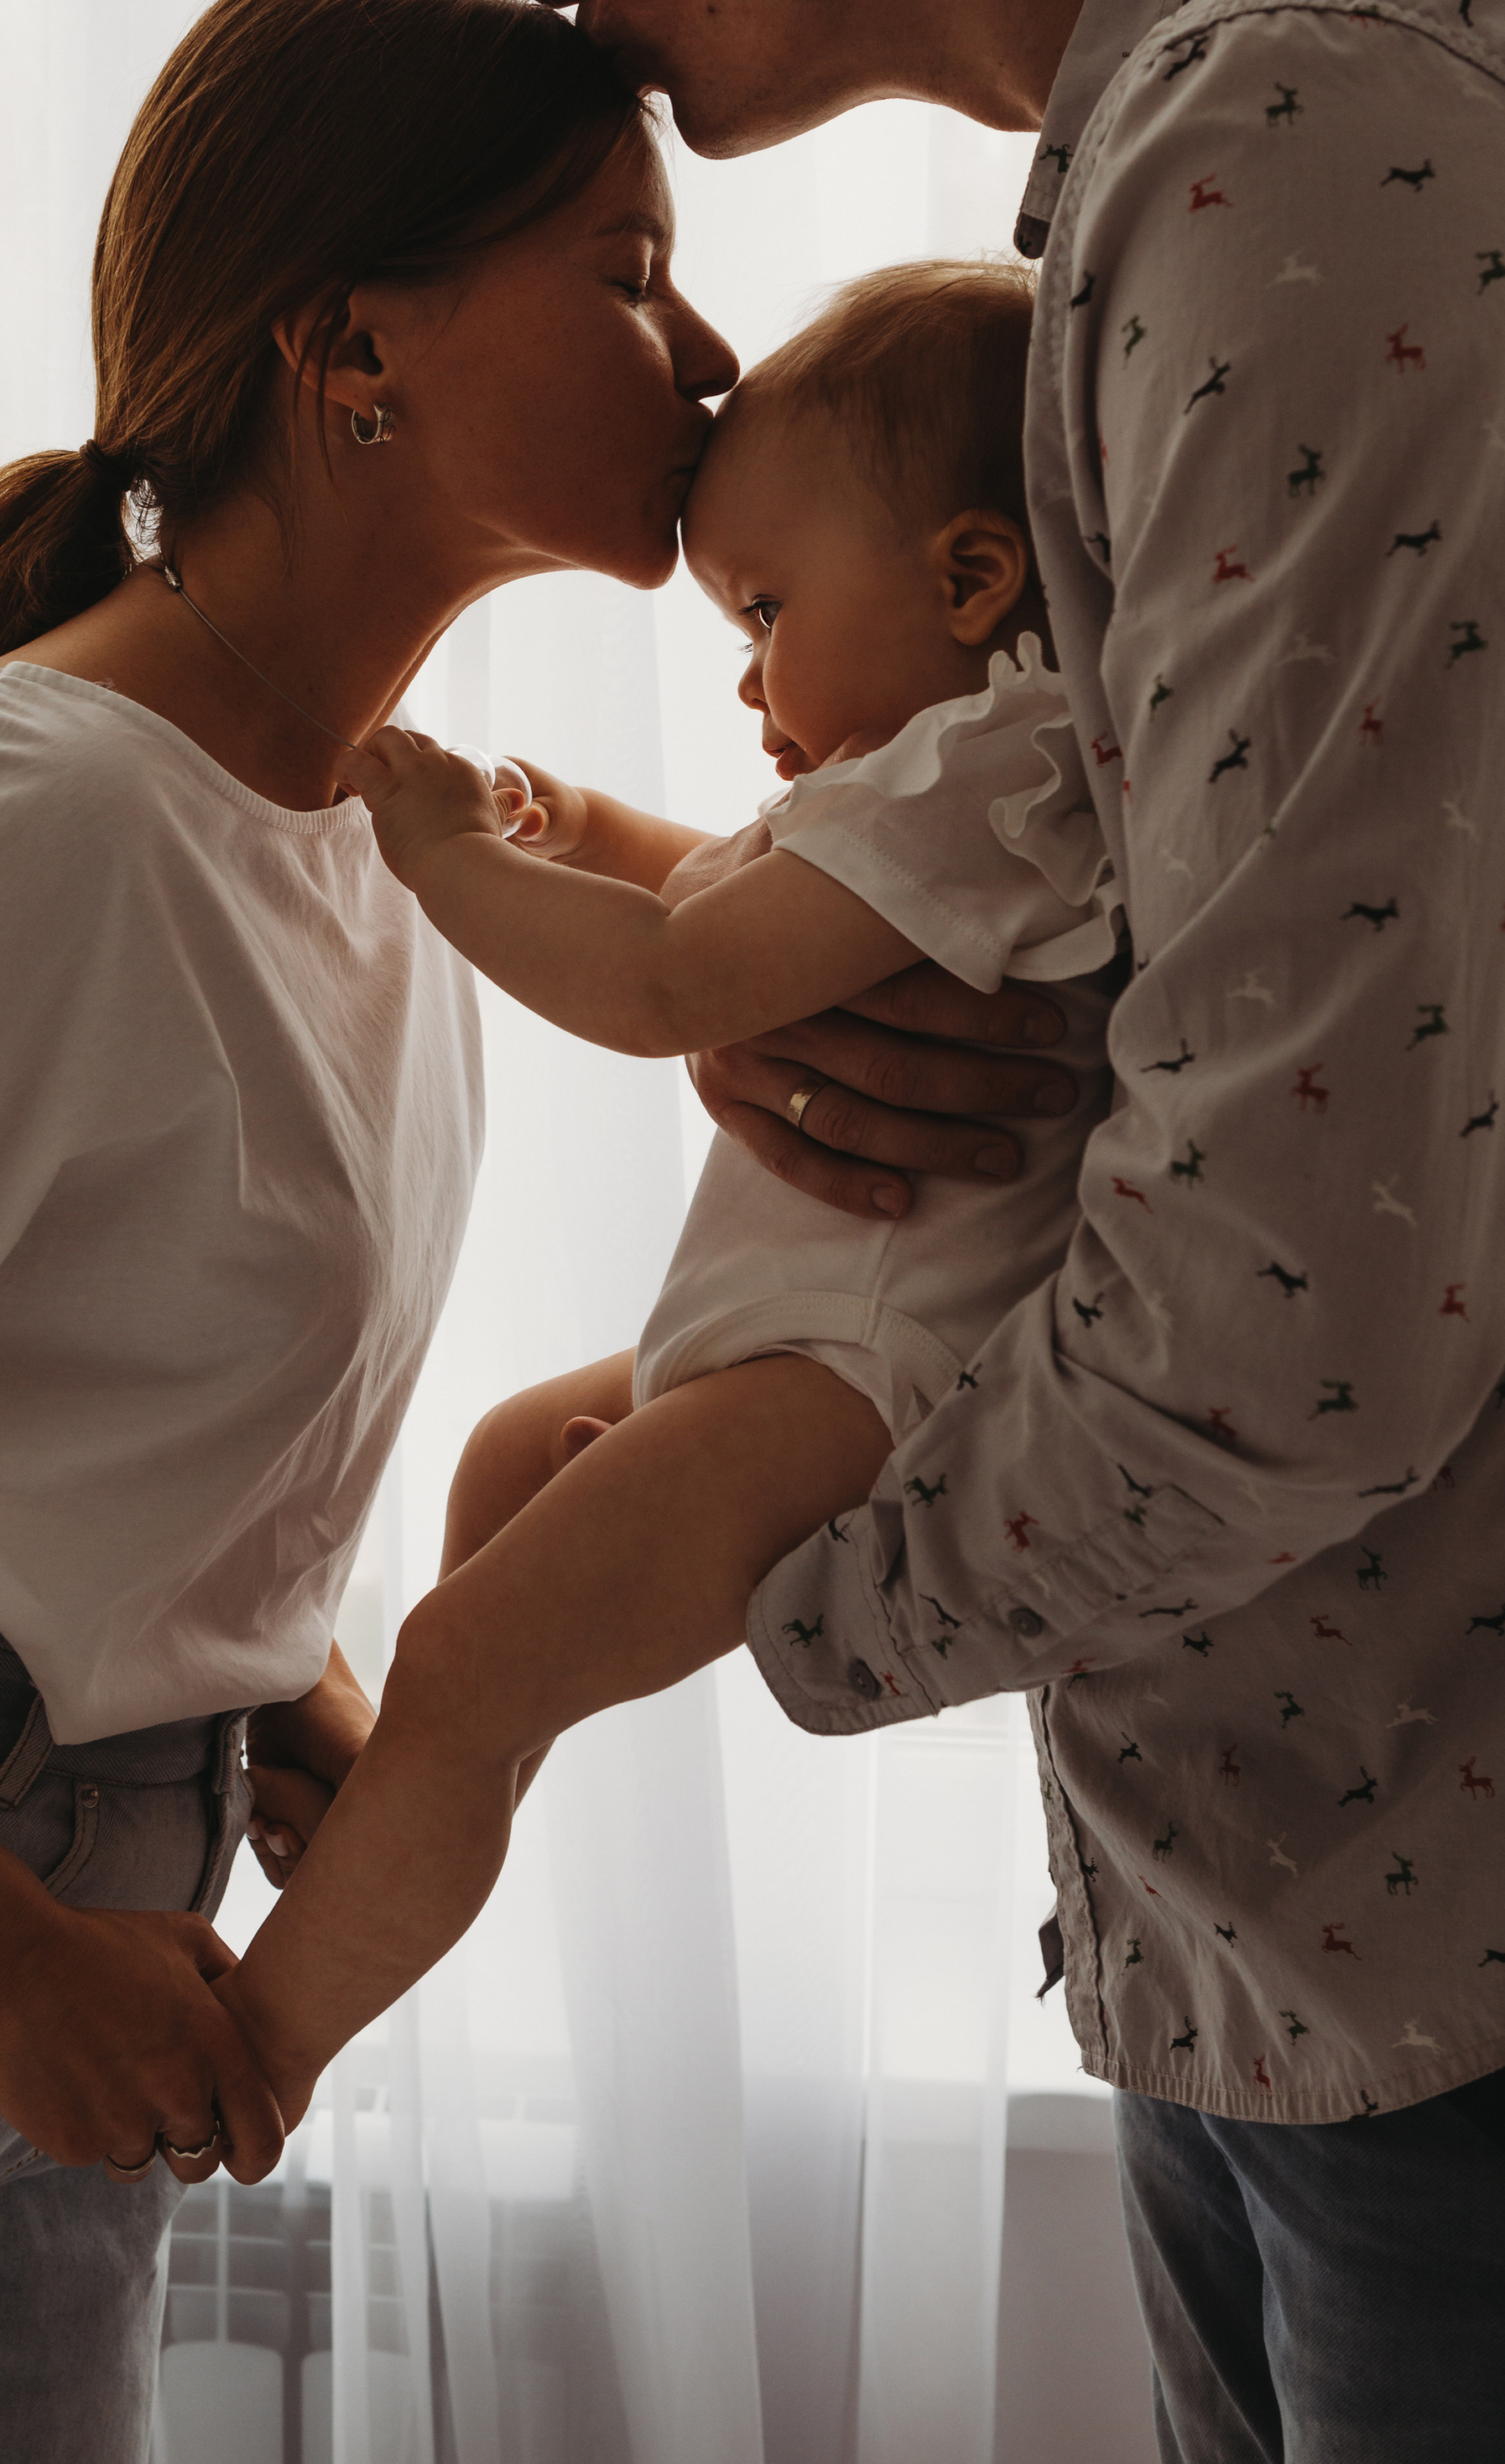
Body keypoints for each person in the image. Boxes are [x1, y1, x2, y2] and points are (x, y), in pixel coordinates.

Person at [461, 0, 1505, 2458]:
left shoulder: (1329, 134)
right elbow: (1389, 1037)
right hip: (1319, 1932)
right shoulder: (1187, 175)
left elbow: (1309, 1319)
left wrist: (721, 1577)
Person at [0, 0, 751, 2463]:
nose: (715, 361)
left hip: (92, 1952)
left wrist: (260, 1687)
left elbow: (82, 1387)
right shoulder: (48, 820)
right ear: (357, 349)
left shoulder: (374, 832)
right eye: (633, 275)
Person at [217, 262, 1120, 2098]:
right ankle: (419, 1803)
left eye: (769, 609)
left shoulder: (999, 772)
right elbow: (722, 881)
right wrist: (578, 827)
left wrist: (441, 847)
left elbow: (664, 983)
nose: (745, 671)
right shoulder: (919, 793)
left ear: (967, 579)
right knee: (496, 1473)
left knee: (477, 1652)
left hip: (863, 1373)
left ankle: (258, 2043)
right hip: (783, 1339)